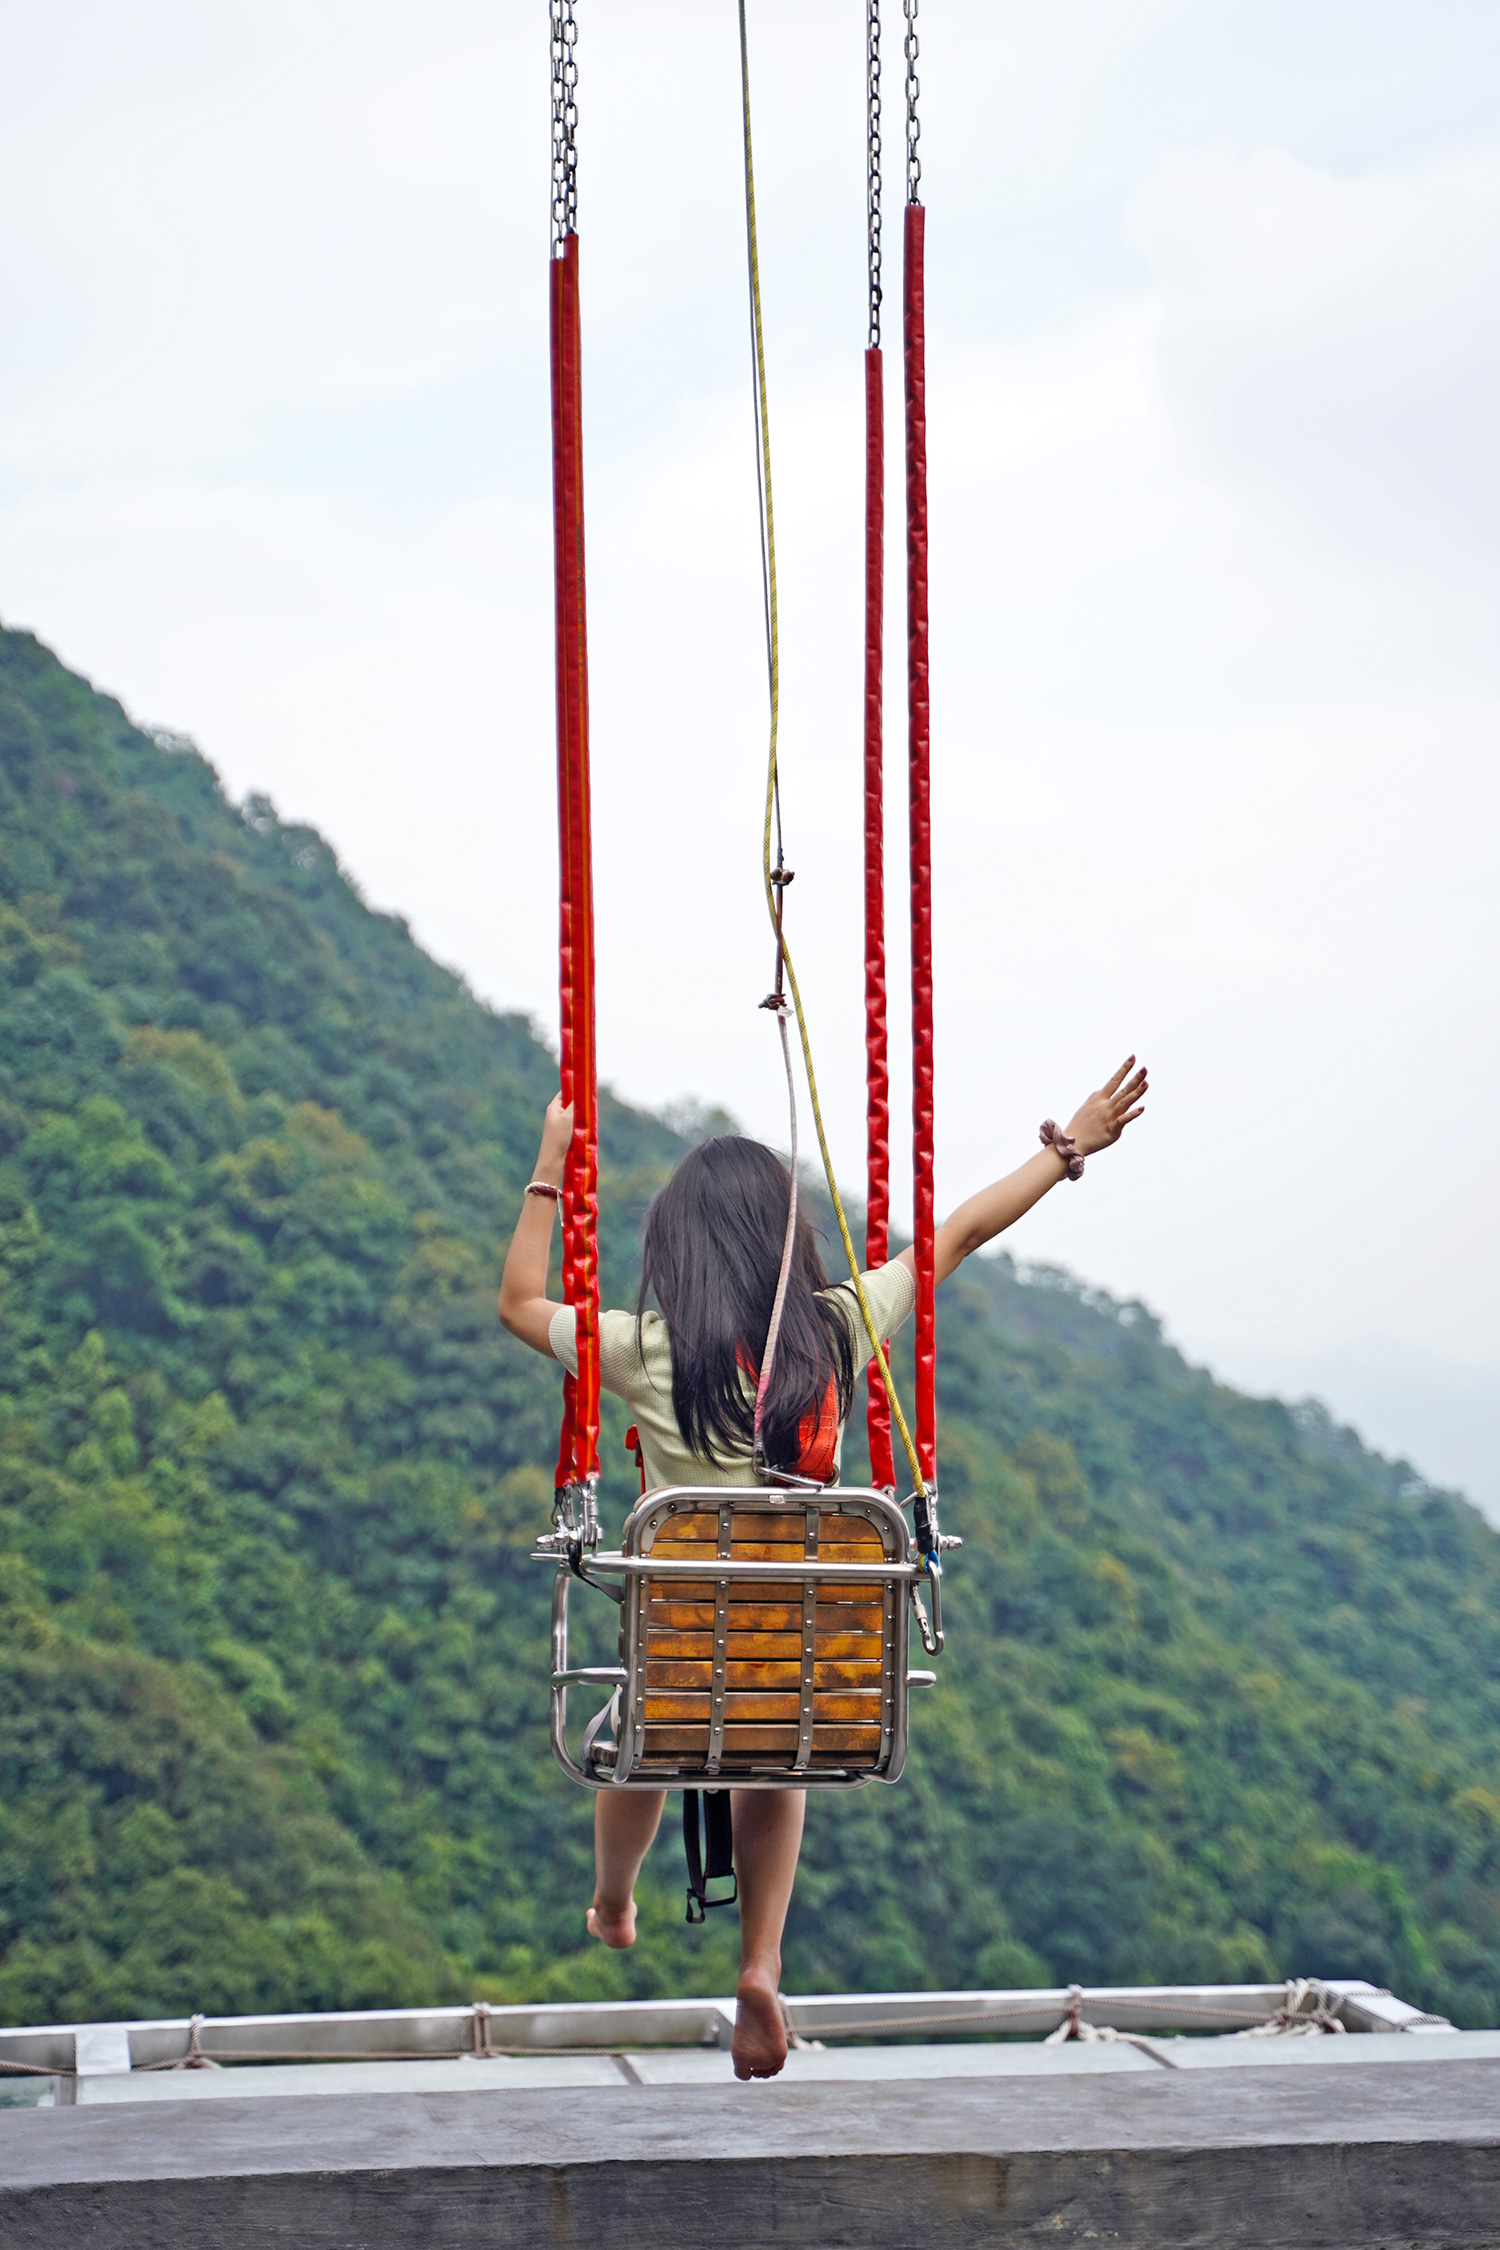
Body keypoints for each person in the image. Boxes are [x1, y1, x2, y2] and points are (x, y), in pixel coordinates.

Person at [499, 1056, 1148, 2078]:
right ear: (786, 1242)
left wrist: (550, 1165)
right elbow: (960, 1236)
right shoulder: (837, 1332)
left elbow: (518, 1302)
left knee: (638, 1724)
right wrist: (1065, 1150)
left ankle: (615, 1901)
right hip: (805, 1681)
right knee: (776, 1745)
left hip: (683, 1666)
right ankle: (762, 1961)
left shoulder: (639, 1350)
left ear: (679, 1253)